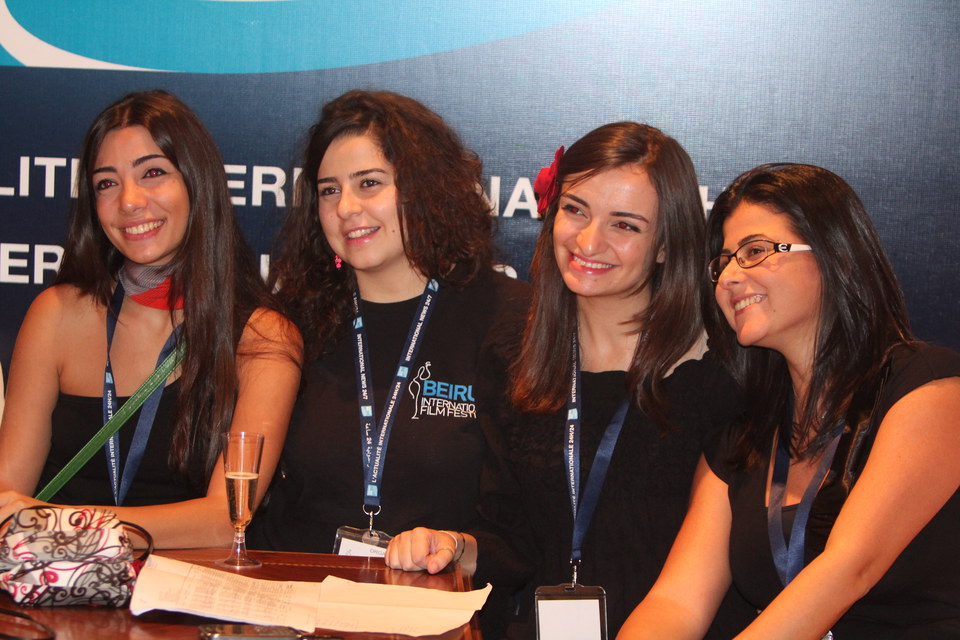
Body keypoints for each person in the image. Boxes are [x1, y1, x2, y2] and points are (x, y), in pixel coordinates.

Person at [386, 122, 752, 638]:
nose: (587, 240)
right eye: (575, 210)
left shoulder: (720, 375)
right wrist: (454, 546)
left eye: (624, 225)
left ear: (668, 245)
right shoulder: (517, 356)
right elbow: (511, 535)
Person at [618, 164, 960, 639]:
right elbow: (675, 603)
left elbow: (846, 570)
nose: (730, 276)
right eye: (723, 261)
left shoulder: (930, 388)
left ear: (835, 255)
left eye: (755, 251)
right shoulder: (742, 438)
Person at [0, 90, 302, 548]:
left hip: (183, 605)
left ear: (196, 184)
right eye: (107, 183)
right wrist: (47, 522)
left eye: (153, 173)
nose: (129, 201)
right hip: (55, 594)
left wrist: (63, 521)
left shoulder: (262, 337)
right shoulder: (56, 315)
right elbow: (8, 498)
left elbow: (227, 520)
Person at [249, 90, 529, 579]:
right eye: (329, 190)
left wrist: (457, 547)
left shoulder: (511, 318)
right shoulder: (290, 323)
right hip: (297, 601)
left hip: (439, 610)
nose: (347, 208)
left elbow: (528, 525)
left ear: (424, 188)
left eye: (370, 183)